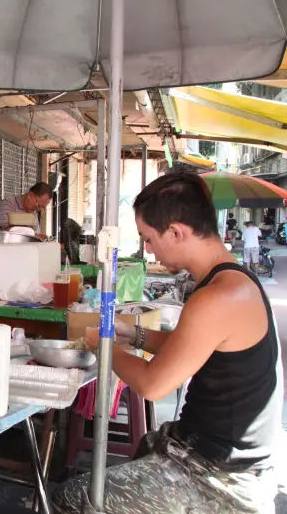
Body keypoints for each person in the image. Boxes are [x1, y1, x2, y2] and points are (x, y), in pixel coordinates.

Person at [53, 173, 282, 513]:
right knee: (147, 445)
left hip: (220, 478)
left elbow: (153, 384)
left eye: (148, 238)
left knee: (72, 497)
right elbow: (188, 346)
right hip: (207, 452)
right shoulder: (232, 280)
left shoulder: (219, 297)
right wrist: (135, 335)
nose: (148, 249)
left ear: (176, 232)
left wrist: (100, 345)